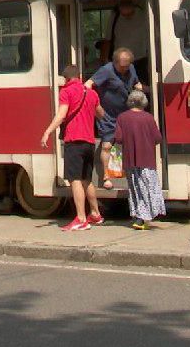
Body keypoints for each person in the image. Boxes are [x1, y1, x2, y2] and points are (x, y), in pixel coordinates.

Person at [40, 64, 101, 231]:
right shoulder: (92, 93)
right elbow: (100, 113)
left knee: (74, 180)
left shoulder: (66, 92)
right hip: (89, 142)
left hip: (74, 141)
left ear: (66, 79)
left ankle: (81, 218)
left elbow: (61, 115)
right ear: (79, 76)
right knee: (87, 180)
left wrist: (47, 132)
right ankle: (95, 213)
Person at [88, 48, 144, 190]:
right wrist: (96, 106)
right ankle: (106, 176)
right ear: (115, 62)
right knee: (107, 145)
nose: (125, 69)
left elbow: (136, 84)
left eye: (127, 65)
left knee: (130, 142)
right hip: (107, 115)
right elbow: (88, 85)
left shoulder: (130, 68)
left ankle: (130, 173)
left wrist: (143, 89)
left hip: (126, 113)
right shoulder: (106, 70)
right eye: (122, 66)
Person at [114, 90, 165, 229]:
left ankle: (139, 217)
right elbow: (157, 138)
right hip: (147, 159)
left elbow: (118, 139)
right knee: (148, 187)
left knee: (135, 188)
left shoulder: (122, 118)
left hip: (130, 159)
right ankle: (144, 217)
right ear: (144, 102)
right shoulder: (148, 118)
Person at [101, 0, 150, 82]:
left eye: (130, 14)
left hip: (141, 59)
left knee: (142, 85)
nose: (127, 17)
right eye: (124, 15)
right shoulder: (115, 17)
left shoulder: (144, 13)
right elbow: (108, 39)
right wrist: (105, 60)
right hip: (121, 60)